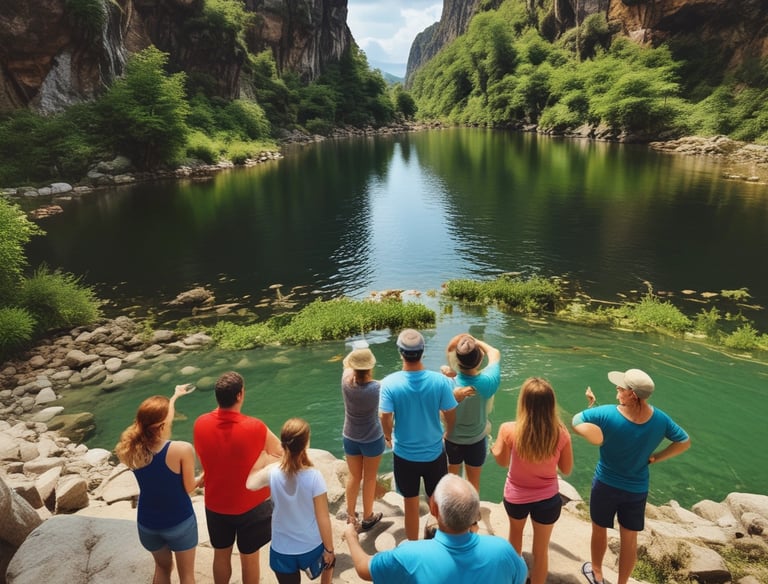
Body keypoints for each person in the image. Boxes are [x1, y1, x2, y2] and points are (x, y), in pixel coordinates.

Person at [572, 368, 691, 584]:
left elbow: (577, 421)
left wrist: (595, 428)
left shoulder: (607, 413)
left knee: (599, 529)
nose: (617, 390)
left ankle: (596, 573)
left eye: (621, 389)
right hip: (636, 490)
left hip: (605, 484)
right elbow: (684, 441)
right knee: (629, 539)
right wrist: (657, 457)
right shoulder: (661, 420)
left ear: (632, 394)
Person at [345, 473, 527, 583]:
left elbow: (363, 568)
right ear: (474, 513)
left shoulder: (408, 555)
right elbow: (520, 577)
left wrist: (351, 536)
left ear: (433, 509)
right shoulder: (503, 551)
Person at [193, 371, 283, 584]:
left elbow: (211, 456)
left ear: (217, 396)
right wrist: (262, 458)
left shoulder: (200, 423)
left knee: (221, 554)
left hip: (216, 504)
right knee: (250, 559)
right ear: (240, 395)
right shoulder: (255, 426)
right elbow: (281, 453)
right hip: (252, 505)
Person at [491, 377, 574, 584]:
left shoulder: (508, 429)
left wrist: (494, 448)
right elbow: (566, 469)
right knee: (541, 551)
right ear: (551, 404)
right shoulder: (561, 433)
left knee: (514, 544)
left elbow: (502, 462)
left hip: (516, 497)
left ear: (523, 402)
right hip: (548, 500)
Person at [379, 328, 459, 540]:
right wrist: (448, 431)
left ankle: (414, 546)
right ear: (423, 352)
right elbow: (451, 412)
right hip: (434, 453)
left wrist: (388, 435)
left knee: (410, 503)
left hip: (404, 455)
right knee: (437, 501)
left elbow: (385, 416)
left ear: (400, 353)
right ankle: (442, 542)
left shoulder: (389, 383)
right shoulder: (440, 381)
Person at [115, 384, 198, 584]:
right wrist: (204, 477)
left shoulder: (131, 450)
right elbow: (189, 488)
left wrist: (175, 397)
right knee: (187, 576)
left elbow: (161, 419)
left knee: (162, 569)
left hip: (148, 524)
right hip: (179, 522)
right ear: (162, 425)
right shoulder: (182, 449)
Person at [246, 418, 335, 584]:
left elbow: (250, 484)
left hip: (282, 550)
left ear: (283, 444)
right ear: (306, 444)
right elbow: (323, 517)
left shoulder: (273, 472)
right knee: (330, 565)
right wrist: (329, 550)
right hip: (311, 546)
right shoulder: (314, 476)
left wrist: (262, 459)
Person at [441, 333, 501, 492]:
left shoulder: (447, 384)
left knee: (450, 483)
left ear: (458, 360)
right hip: (477, 440)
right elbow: (494, 352)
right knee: (473, 484)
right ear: (480, 359)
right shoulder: (487, 382)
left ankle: (449, 507)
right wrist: (475, 341)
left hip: (452, 440)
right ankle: (472, 508)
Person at [341, 345, 384, 531]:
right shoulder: (377, 388)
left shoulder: (345, 380)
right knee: (370, 478)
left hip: (350, 436)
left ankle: (351, 516)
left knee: (354, 476)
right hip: (372, 439)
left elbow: (346, 364)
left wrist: (355, 355)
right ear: (370, 367)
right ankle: (368, 517)